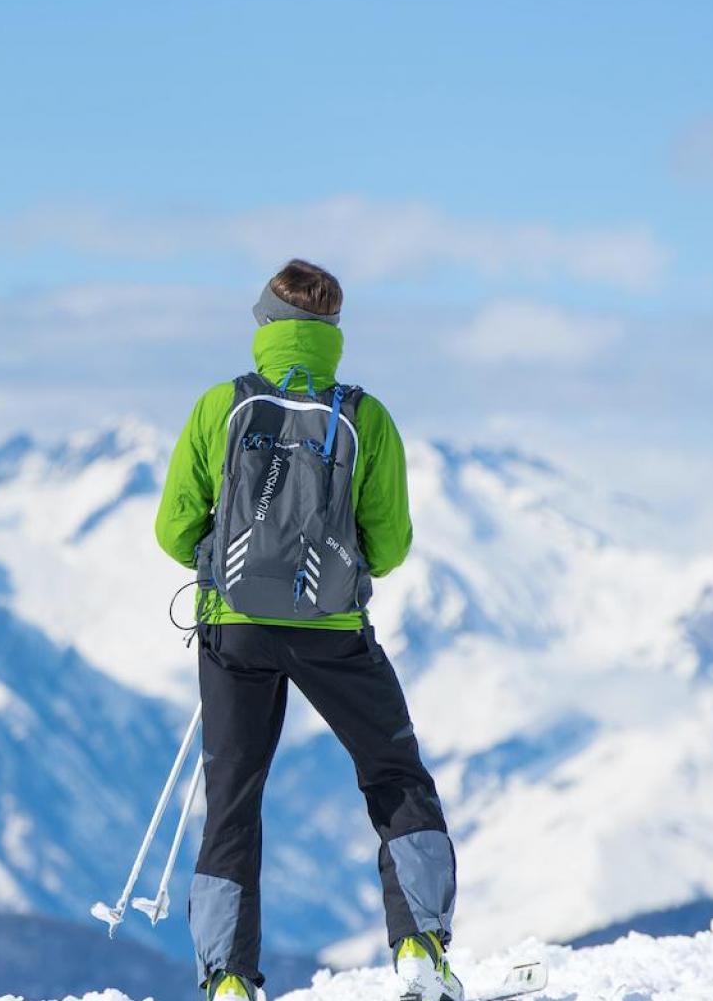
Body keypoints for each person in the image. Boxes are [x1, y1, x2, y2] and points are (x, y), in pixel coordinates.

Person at [153, 260, 459, 1001]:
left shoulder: (219, 407)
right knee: (393, 774)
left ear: (263, 325)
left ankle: (227, 979)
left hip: (236, 629)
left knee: (234, 796)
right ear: (334, 333)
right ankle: (419, 944)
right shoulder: (365, 415)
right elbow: (389, 547)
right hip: (333, 627)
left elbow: (172, 531)